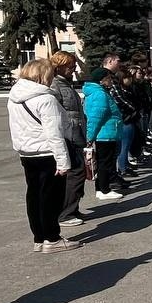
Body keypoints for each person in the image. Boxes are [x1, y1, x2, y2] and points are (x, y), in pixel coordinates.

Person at [8, 59, 82, 254]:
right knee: (51, 198)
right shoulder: (46, 99)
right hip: (48, 153)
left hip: (27, 152)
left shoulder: (14, 96)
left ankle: (39, 238)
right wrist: (63, 161)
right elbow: (54, 133)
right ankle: (52, 237)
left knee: (34, 196)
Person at [49, 51, 88, 226]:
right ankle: (66, 213)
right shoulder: (55, 85)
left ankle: (73, 208)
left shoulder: (65, 84)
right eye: (70, 67)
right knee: (76, 173)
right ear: (59, 66)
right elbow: (55, 113)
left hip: (76, 132)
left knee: (78, 172)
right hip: (68, 135)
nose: (74, 69)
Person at [83, 68, 125, 199]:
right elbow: (96, 117)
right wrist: (90, 136)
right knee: (105, 163)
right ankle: (104, 190)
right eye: (109, 78)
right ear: (101, 80)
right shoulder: (100, 94)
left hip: (107, 132)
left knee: (104, 162)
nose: (111, 81)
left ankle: (102, 188)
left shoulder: (99, 92)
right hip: (105, 134)